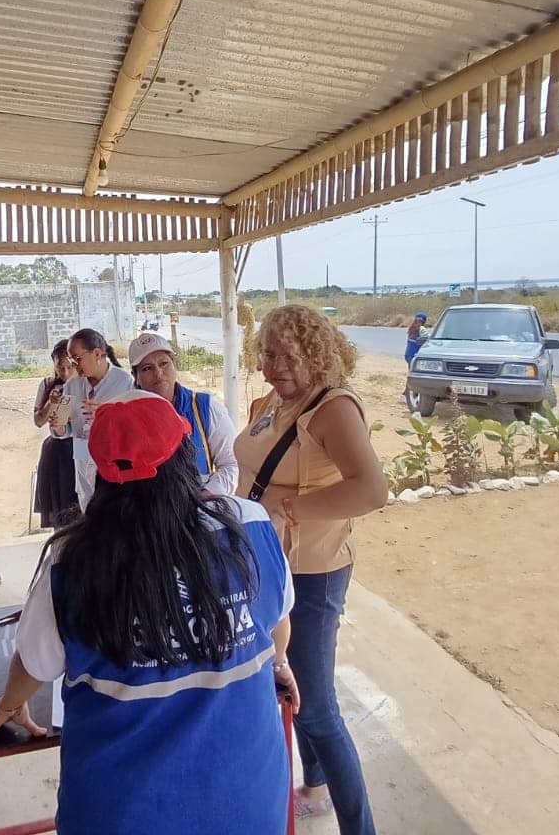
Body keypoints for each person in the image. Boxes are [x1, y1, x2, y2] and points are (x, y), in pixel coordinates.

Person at [0, 391, 298, 834]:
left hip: (121, 812)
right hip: (248, 806)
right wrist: (278, 662)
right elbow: (278, 621)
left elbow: (35, 662)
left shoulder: (72, 560)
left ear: (100, 472)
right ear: (184, 458)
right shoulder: (249, 524)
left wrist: (9, 705)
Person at [234, 304, 388, 835]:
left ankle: (360, 827)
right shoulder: (274, 401)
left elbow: (371, 490)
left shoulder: (332, 408)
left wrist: (288, 510)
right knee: (292, 682)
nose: (271, 365)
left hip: (311, 573)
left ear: (315, 352)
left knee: (318, 709)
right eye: (266, 353)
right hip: (269, 561)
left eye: (285, 354)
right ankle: (315, 784)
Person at [127, 331, 238, 495]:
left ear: (174, 365)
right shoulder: (126, 418)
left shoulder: (205, 408)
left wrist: (204, 496)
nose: (158, 374)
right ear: (135, 376)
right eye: (147, 368)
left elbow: (232, 465)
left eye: (164, 364)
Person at [57, 328, 133, 510]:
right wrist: (58, 426)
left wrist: (108, 416)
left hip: (114, 464)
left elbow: (133, 428)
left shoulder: (126, 383)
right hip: (83, 462)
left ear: (97, 354)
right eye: (71, 359)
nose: (74, 365)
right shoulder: (71, 386)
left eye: (77, 359)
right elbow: (61, 425)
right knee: (88, 512)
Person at [33, 339, 80, 528]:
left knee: (82, 511)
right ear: (54, 363)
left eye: (70, 367)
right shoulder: (48, 385)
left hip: (80, 450)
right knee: (60, 513)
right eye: (61, 368)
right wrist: (51, 403)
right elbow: (38, 421)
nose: (66, 373)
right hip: (57, 454)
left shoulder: (85, 385)